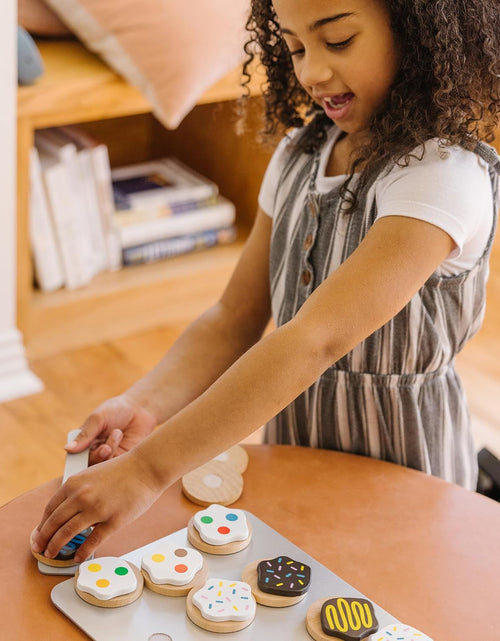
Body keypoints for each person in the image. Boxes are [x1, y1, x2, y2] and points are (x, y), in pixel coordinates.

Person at [32, 0, 499, 564]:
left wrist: (150, 469)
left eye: (339, 41)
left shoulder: (442, 177)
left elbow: (313, 340)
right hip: (295, 451)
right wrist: (144, 405)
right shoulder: (301, 154)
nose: (311, 73)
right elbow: (233, 319)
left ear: (418, 34)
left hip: (405, 467)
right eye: (296, 47)